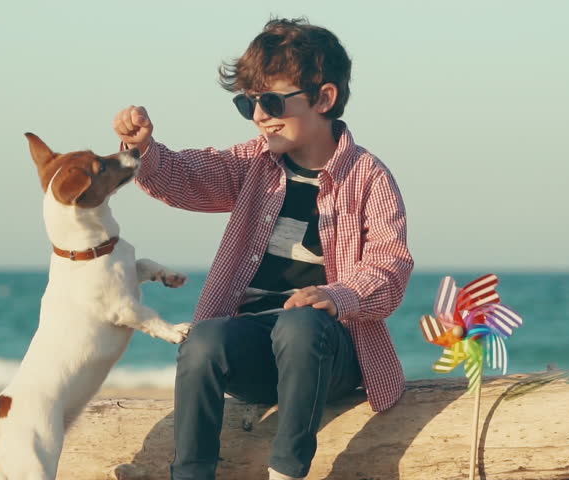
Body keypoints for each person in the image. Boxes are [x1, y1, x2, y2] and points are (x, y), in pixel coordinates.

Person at [112, 18, 413, 480]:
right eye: (247, 103)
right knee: (203, 339)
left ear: (325, 98)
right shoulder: (255, 163)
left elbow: (389, 269)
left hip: (330, 351)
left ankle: (286, 471)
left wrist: (337, 296)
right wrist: (145, 149)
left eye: (271, 101)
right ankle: (189, 473)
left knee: (300, 324)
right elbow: (190, 177)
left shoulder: (369, 178)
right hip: (258, 350)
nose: (258, 114)